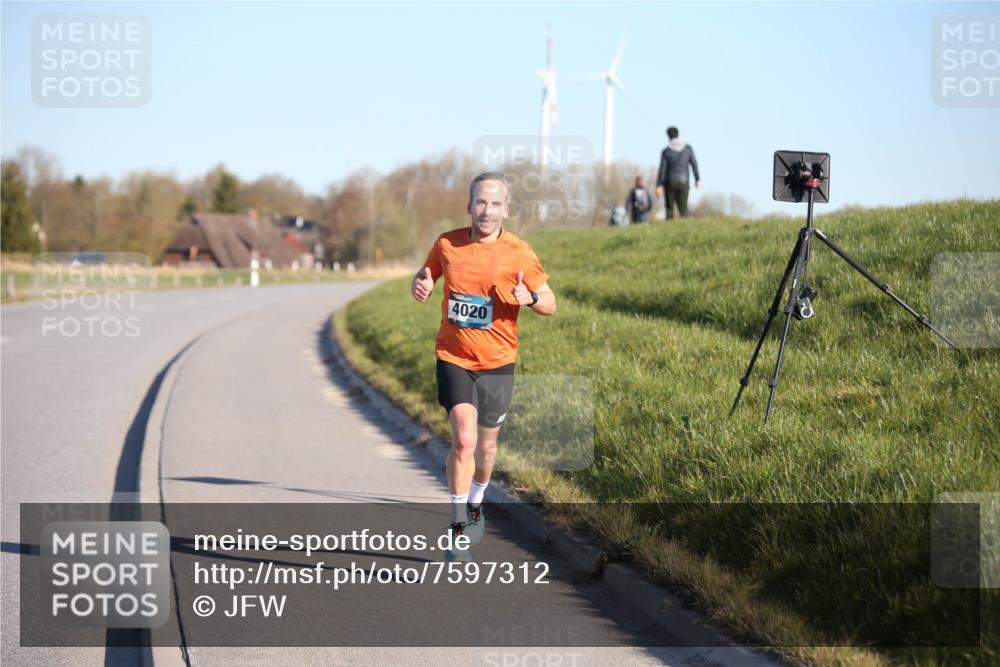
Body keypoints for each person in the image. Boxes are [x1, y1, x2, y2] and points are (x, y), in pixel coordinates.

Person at [411, 172, 556, 560]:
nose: (486, 211)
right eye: (480, 202)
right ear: (469, 205)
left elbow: (550, 303)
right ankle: (459, 525)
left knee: (487, 448)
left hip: (497, 361)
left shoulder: (519, 252)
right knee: (464, 439)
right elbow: (425, 276)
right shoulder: (447, 244)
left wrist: (529, 298)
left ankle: (476, 501)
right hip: (454, 357)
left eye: (495, 204)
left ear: (506, 209)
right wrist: (419, 285)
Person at [655, 126, 701, 219]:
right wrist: (697, 179)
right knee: (683, 208)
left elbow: (662, 169)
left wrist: (659, 185)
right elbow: (694, 164)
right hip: (684, 181)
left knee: (669, 208)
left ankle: (669, 229)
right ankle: (687, 228)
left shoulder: (666, 151)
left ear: (668, 136)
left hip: (670, 182)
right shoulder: (688, 149)